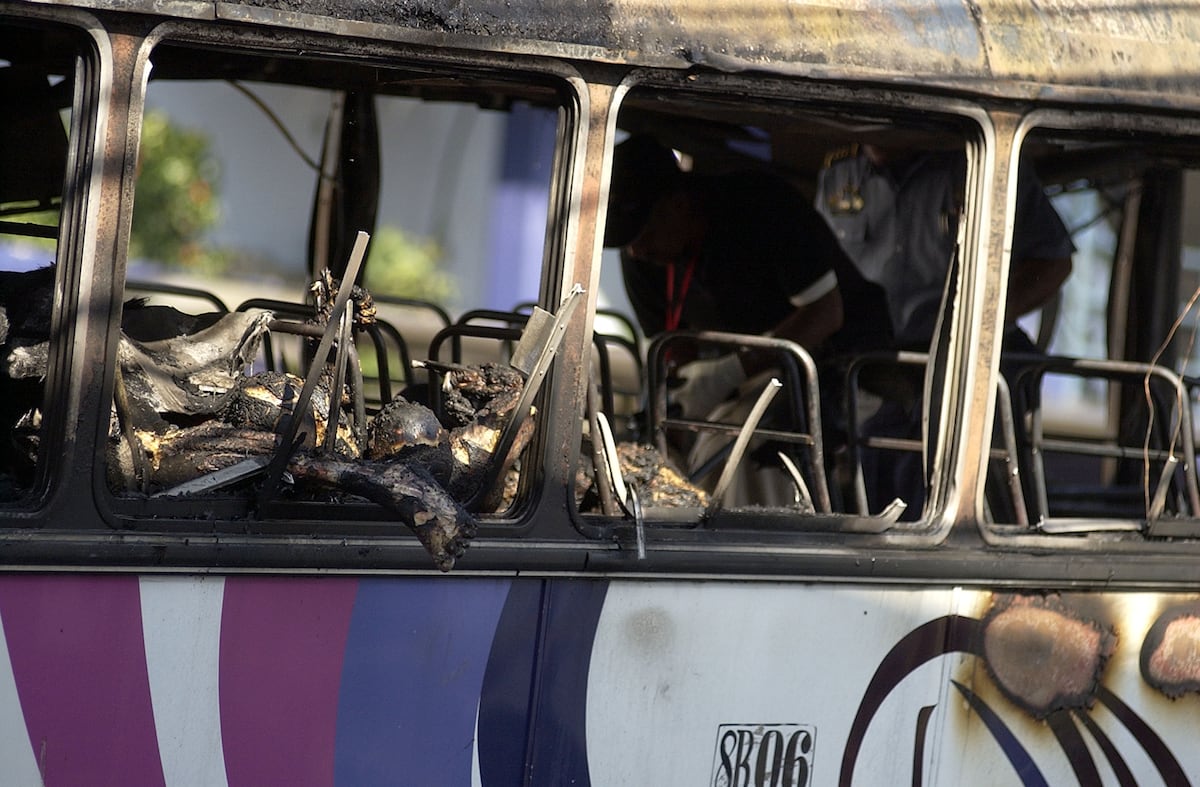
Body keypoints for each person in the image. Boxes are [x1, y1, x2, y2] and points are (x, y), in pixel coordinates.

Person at [603, 135, 868, 505]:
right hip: (743, 374)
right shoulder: (642, 254)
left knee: (729, 444)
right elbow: (674, 348)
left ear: (678, 204)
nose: (636, 251)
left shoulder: (762, 207)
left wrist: (729, 372)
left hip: (839, 361)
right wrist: (676, 410)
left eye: (644, 234)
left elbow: (825, 313)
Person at [814, 142, 1075, 516]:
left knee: (978, 493)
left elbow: (1053, 262)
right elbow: (821, 270)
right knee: (859, 491)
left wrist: (982, 323)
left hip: (962, 358)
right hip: (870, 362)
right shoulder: (839, 173)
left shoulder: (981, 160)